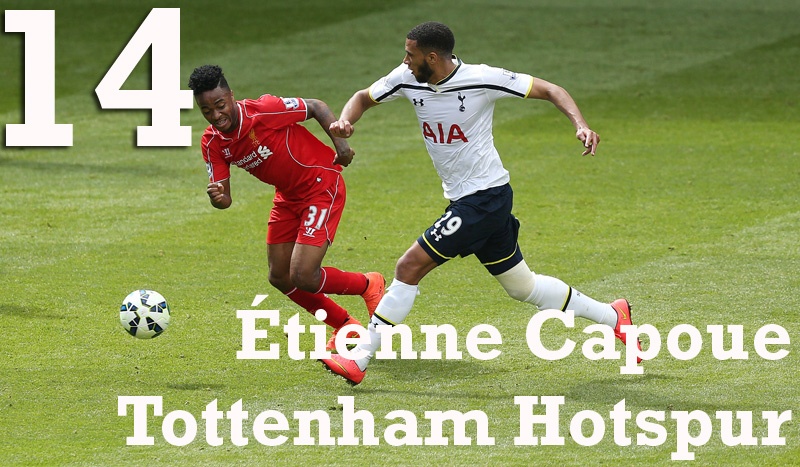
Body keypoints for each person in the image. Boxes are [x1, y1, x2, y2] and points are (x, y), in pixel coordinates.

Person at [320, 22, 642, 385]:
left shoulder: (481, 79)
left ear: (432, 57)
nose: (405, 60)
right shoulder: (406, 78)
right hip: (479, 200)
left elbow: (552, 90)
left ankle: (359, 358)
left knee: (408, 266)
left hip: (483, 200)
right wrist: (346, 121)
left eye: (410, 54)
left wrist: (580, 125)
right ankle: (614, 316)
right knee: (523, 287)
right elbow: (363, 97)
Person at [187, 64, 385, 351]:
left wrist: (341, 146)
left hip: (320, 184)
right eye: (206, 111)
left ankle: (368, 284)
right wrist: (217, 198)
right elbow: (225, 198)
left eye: (220, 105)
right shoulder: (212, 142)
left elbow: (316, 106)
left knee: (304, 275)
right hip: (288, 197)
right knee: (279, 276)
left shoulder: (264, 110)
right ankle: (345, 326)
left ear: (231, 96)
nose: (216, 115)